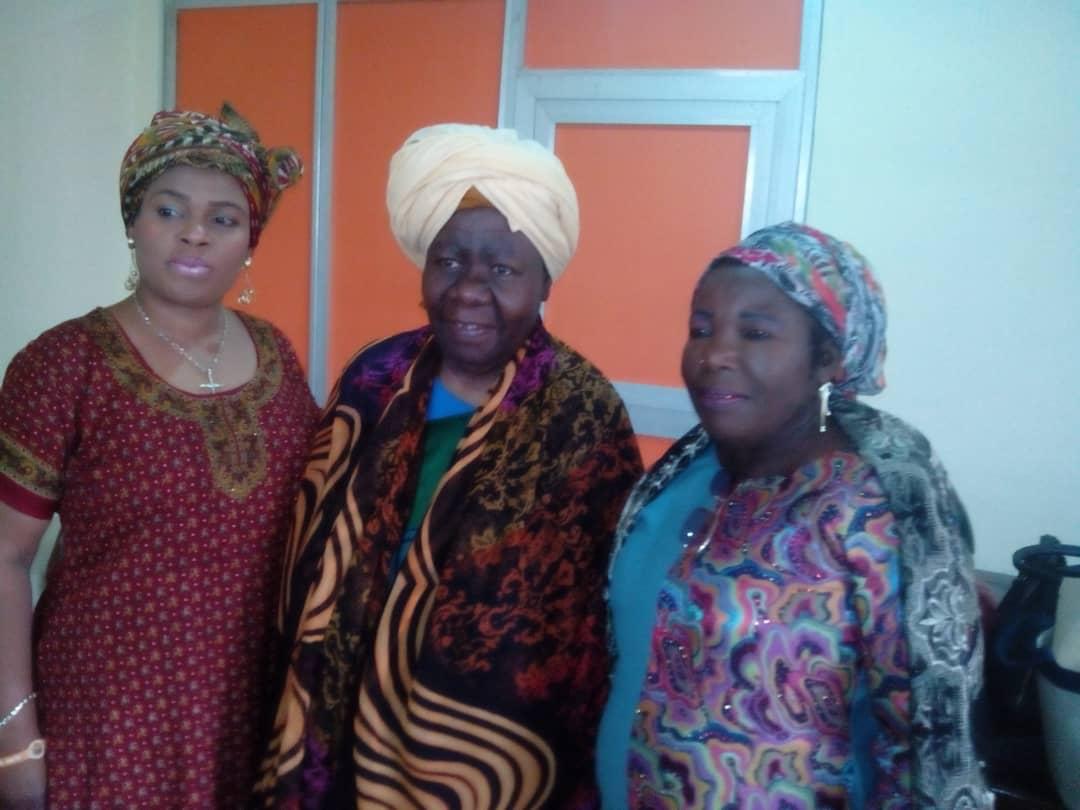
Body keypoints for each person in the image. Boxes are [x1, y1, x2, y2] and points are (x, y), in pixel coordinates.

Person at [254, 124, 644, 809]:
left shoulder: (583, 414)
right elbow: (309, 545)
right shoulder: (377, 378)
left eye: (503, 270)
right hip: (337, 720)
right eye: (449, 261)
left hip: (488, 746)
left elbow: (591, 623)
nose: (468, 290)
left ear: (545, 281)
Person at [596, 223, 991, 809]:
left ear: (827, 357)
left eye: (755, 332)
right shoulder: (680, 473)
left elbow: (924, 742)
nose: (714, 354)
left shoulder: (876, 510)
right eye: (701, 329)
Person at [0, 104, 320, 808]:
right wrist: (14, 738)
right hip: (108, 717)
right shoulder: (64, 364)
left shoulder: (277, 356)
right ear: (132, 222)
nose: (195, 232)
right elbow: (6, 555)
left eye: (223, 218)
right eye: (169, 209)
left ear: (250, 240)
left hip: (254, 710)